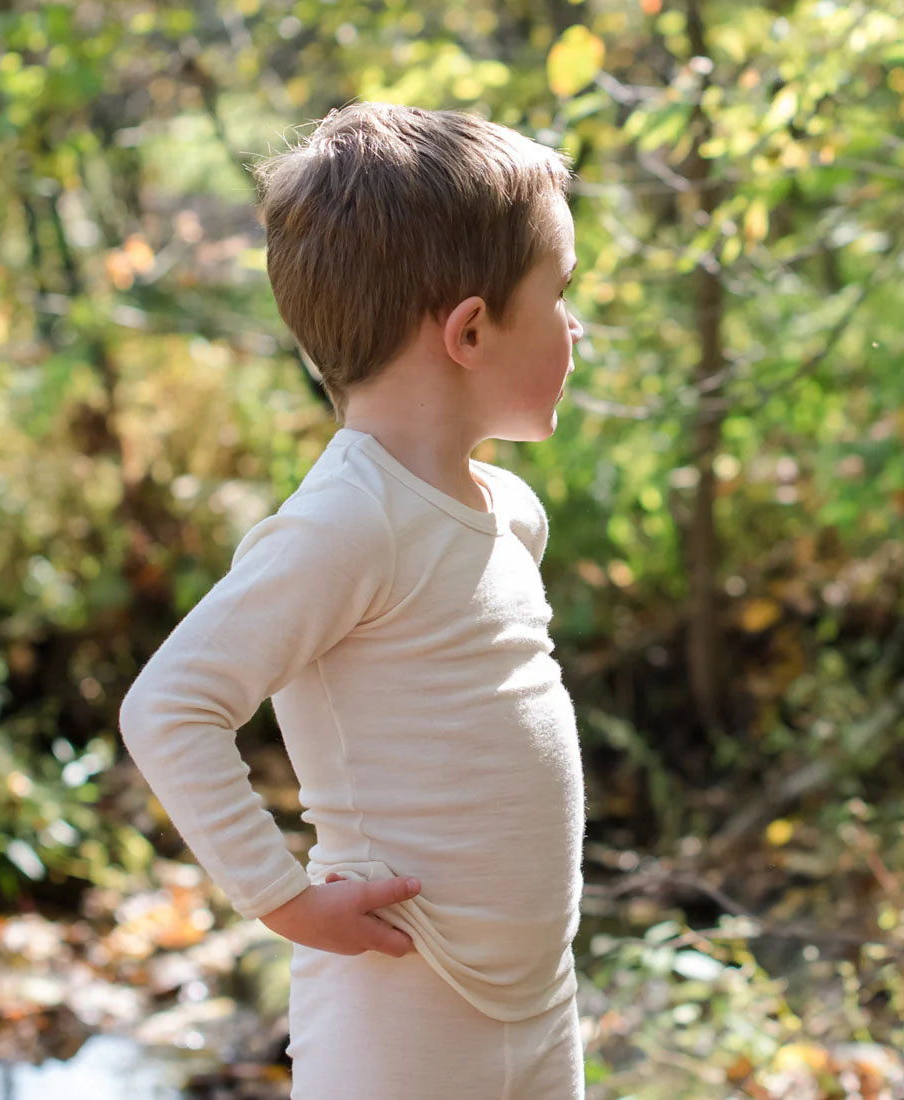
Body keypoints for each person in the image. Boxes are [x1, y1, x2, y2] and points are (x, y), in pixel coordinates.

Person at [118, 101, 587, 1099]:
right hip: (398, 999)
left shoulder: (507, 511)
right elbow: (169, 705)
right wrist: (284, 898)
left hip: (536, 996)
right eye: (558, 294)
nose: (574, 324)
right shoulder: (347, 521)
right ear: (468, 328)